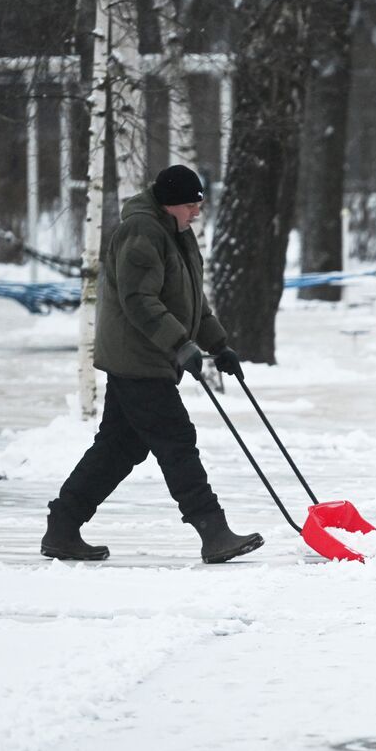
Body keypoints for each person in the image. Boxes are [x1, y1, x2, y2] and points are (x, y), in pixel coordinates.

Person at [40, 165, 264, 564]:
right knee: (177, 440)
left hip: (147, 356)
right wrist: (180, 344)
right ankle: (213, 531)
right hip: (137, 358)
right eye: (191, 205)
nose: (196, 211)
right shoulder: (141, 232)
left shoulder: (177, 233)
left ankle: (62, 526)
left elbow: (191, 299)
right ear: (169, 203)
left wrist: (218, 345)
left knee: (119, 447)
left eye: (198, 204)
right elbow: (139, 300)